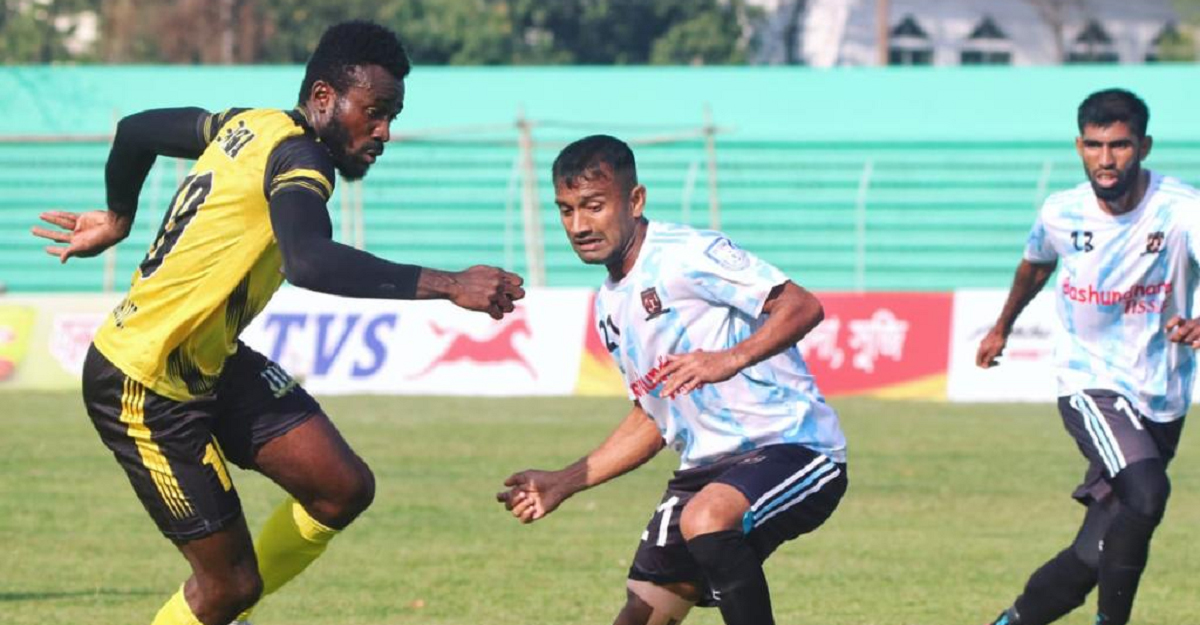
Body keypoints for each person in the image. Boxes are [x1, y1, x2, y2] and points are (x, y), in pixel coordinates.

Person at [31, 20, 524, 625]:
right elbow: (307, 261)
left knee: (342, 488)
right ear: (323, 98)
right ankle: (231, 599)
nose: (384, 132)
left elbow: (136, 130)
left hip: (208, 360)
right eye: (374, 113)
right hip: (144, 381)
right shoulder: (302, 158)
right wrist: (449, 284)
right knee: (229, 586)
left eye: (392, 116)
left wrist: (117, 216)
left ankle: (234, 602)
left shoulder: (247, 123)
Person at [496, 135, 847, 625]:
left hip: (791, 447)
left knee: (707, 518)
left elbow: (801, 305)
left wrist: (728, 359)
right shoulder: (609, 306)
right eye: (566, 210)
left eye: (594, 206)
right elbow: (654, 416)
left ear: (635, 200)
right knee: (644, 609)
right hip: (705, 471)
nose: (579, 226)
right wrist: (564, 482)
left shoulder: (688, 253)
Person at [977, 88, 1199, 625]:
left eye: (1120, 145)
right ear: (1080, 146)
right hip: (1090, 381)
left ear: (1143, 146)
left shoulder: (1182, 210)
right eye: (1095, 145)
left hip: (1162, 392)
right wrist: (1002, 327)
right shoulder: (1062, 212)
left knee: (1093, 554)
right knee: (1147, 494)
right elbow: (1035, 264)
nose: (1106, 159)